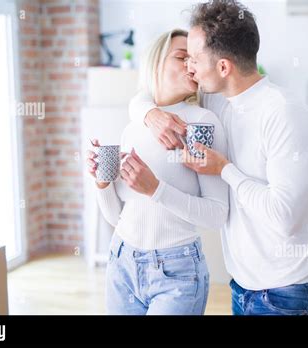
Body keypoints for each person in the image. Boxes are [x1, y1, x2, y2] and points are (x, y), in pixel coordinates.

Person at [128, 0, 308, 315]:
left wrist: (224, 170)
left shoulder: (284, 113)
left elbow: (285, 218)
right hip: (243, 285)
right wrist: (149, 114)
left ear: (223, 67)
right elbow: (146, 92)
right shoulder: (217, 100)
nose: (189, 67)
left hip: (289, 292)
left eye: (194, 59)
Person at [86, 29, 229, 315]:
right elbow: (118, 216)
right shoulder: (133, 125)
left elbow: (216, 215)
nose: (190, 65)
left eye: (194, 60)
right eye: (181, 57)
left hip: (177, 271)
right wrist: (102, 184)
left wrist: (155, 189)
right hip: (122, 263)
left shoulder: (202, 123)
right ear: (156, 62)